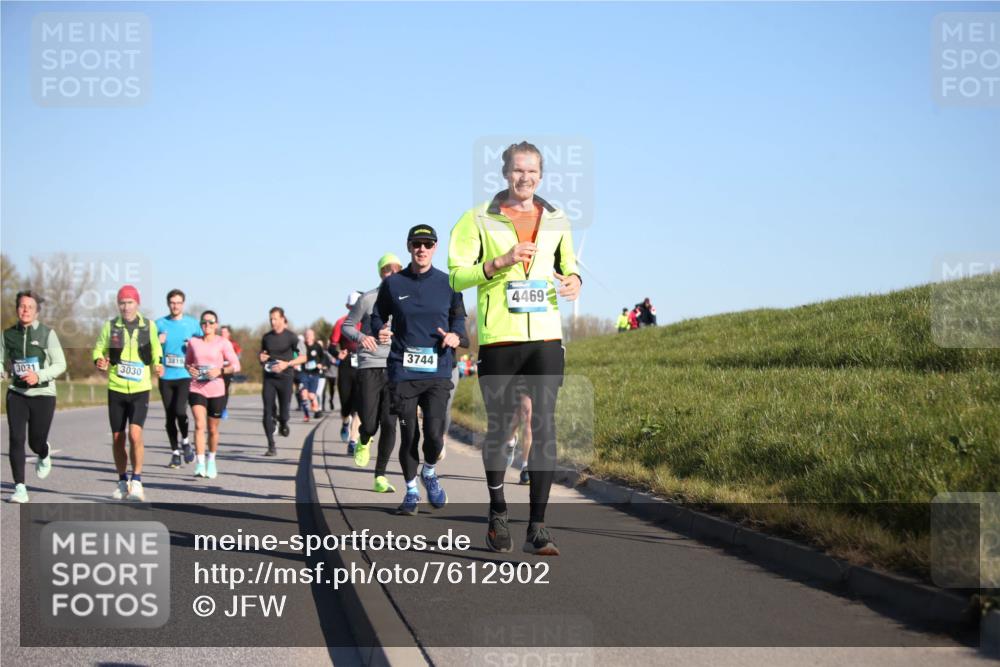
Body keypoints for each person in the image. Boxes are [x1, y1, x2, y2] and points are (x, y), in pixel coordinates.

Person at [448, 140, 582, 555]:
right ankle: (498, 511)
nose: (525, 178)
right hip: (500, 337)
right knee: (502, 427)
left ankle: (538, 527)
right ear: (505, 174)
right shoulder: (477, 219)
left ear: (541, 176)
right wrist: (501, 262)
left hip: (544, 336)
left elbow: (568, 265)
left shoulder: (557, 219)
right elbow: (456, 277)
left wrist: (574, 280)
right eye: (517, 171)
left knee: (543, 424)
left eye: (533, 172)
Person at [371, 225, 466, 515]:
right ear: (409, 247)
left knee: (435, 435)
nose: (421, 249)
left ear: (435, 247)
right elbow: (377, 316)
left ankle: (429, 471)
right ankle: (411, 491)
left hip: (438, 370)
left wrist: (455, 336)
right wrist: (380, 331)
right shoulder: (394, 284)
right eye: (416, 244)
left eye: (427, 244)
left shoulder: (449, 283)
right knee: (409, 434)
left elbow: (459, 322)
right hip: (403, 370)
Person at [92, 285, 164, 501]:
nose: (126, 306)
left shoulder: (148, 326)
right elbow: (98, 349)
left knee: (135, 434)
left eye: (130, 302)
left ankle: (138, 480)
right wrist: (99, 360)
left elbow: (155, 350)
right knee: (117, 437)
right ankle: (122, 481)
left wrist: (158, 364)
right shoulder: (110, 326)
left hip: (140, 388)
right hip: (116, 387)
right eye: (122, 303)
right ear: (118, 305)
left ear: (137, 303)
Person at [340, 252, 403, 492]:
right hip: (369, 364)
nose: (393, 273)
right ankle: (364, 438)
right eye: (388, 270)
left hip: (395, 366)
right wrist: (363, 336)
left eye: (397, 269)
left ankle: (380, 475)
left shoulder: (406, 299)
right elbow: (347, 326)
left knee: (390, 423)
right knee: (369, 422)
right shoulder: (368, 299)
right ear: (381, 273)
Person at [2, 290, 66, 503]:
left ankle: (44, 451)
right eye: (22, 306)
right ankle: (20, 487)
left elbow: (60, 364)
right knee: (16, 439)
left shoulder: (47, 334)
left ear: (37, 311)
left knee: (35, 441)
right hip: (17, 394)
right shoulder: (7, 335)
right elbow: (2, 362)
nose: (26, 310)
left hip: (43, 395)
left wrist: (38, 375)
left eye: (30, 307)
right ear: (17, 309)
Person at [185, 310, 241, 478]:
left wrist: (220, 371)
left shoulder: (223, 342)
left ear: (216, 325)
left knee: (212, 429)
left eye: (210, 322)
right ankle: (200, 463)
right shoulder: (193, 342)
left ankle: (211, 460)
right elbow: (187, 363)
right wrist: (190, 369)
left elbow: (236, 365)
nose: (207, 325)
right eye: (204, 322)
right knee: (199, 425)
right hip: (197, 388)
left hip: (216, 389)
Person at [155, 289, 201, 468]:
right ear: (168, 304)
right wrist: (157, 342)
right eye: (172, 303)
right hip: (166, 376)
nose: (175, 306)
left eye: (178, 303)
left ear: (183, 304)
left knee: (180, 411)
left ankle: (186, 441)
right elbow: (147, 349)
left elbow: (203, 346)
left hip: (184, 375)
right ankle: (175, 452)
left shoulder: (192, 324)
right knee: (169, 415)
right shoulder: (159, 324)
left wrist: (193, 346)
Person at [259, 307, 305, 456]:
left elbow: (303, 357)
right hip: (269, 378)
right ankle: (271, 446)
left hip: (285, 378)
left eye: (275, 318)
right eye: (270, 319)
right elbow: (262, 355)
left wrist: (287, 363)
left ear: (283, 319)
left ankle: (283, 421)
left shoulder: (292, 337)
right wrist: (261, 357)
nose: (273, 321)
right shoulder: (266, 337)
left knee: (284, 413)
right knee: (267, 411)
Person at [332, 291, 363, 452]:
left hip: (363, 365)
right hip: (346, 365)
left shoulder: (367, 322)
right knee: (346, 404)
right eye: (352, 306)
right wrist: (337, 353)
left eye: (357, 305)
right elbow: (332, 345)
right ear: (347, 306)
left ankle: (353, 440)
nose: (355, 308)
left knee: (359, 404)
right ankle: (345, 422)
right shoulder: (341, 323)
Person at [297, 328, 325, 422]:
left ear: (313, 336)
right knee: (303, 394)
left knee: (311, 396)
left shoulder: (317, 346)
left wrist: (321, 364)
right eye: (306, 335)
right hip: (304, 372)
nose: (308, 337)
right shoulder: (302, 346)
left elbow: (323, 358)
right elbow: (296, 355)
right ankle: (306, 415)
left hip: (315, 373)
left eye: (310, 335)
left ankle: (315, 407)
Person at [219, 324, 242, 419]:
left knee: (225, 389)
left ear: (229, 333)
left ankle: (223, 408)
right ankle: (215, 407)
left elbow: (239, 354)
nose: (223, 333)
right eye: (222, 332)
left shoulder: (233, 344)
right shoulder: (216, 342)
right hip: (218, 369)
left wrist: (233, 361)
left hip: (228, 370)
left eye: (225, 332)